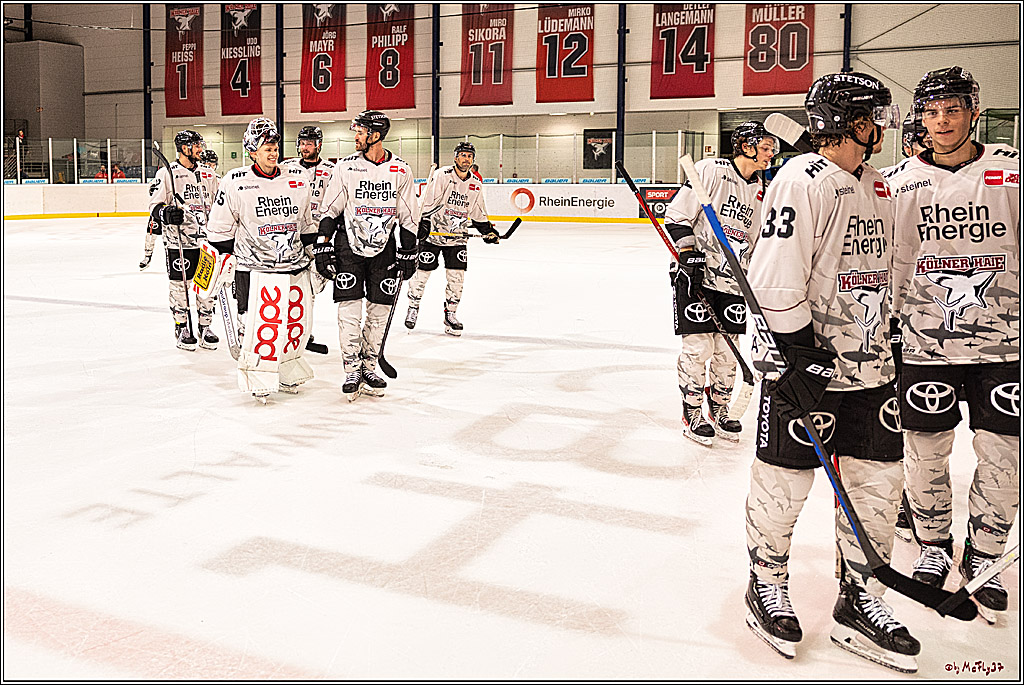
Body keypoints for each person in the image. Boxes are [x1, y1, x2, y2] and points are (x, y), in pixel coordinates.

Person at [741, 73, 918, 672]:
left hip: (872, 366)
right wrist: (796, 354)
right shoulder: (801, 179)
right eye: (874, 118)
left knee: (877, 483)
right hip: (808, 368)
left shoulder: (877, 185)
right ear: (852, 124)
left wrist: (893, 334)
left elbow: (892, 270)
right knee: (785, 481)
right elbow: (774, 275)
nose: (883, 128)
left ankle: (860, 597)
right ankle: (766, 582)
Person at [888, 66, 1019, 624]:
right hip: (926, 343)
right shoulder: (898, 182)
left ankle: (985, 554)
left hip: (1004, 345)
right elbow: (889, 259)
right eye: (932, 111)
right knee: (925, 452)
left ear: (973, 112)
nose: (941, 121)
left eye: (953, 109)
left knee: (1005, 455)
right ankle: (934, 545)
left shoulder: (1010, 171)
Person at [663, 121, 775, 445]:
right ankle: (692, 412)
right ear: (746, 146)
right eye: (765, 147)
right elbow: (677, 216)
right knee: (699, 348)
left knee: (727, 351)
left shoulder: (762, 190)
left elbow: (757, 241)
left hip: (734, 282)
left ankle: (720, 408)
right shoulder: (711, 170)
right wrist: (688, 254)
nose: (770, 154)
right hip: (696, 276)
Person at [205, 117, 318, 403]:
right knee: (258, 325)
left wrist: (315, 252)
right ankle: (258, 375)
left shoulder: (297, 178)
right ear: (252, 151)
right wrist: (224, 259)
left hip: (294, 266)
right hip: (253, 269)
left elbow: (306, 224)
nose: (273, 153)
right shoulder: (236, 182)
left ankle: (288, 368)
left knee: (293, 323)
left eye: (275, 147)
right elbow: (219, 230)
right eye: (267, 148)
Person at [314, 110, 418, 400]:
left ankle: (369, 366)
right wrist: (323, 245)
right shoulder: (346, 166)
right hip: (348, 247)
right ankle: (351, 368)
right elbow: (331, 209)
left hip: (384, 249)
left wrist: (409, 250)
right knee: (349, 308)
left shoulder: (400, 170)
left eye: (360, 132)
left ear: (376, 135)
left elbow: (408, 216)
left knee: (379, 310)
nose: (356, 137)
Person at [404, 142, 498, 336]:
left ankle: (451, 315)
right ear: (455, 157)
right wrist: (423, 223)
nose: (466, 159)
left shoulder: (475, 184)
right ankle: (413, 306)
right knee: (421, 274)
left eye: (469, 156)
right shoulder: (442, 175)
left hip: (457, 238)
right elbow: (428, 200)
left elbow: (477, 210)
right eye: (462, 155)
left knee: (456, 278)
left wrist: (487, 230)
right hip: (433, 235)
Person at [147, 129, 219, 350]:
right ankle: (182, 326)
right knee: (180, 287)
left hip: (206, 243)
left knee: (207, 286)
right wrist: (166, 213)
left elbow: (220, 204)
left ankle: (205, 326)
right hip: (178, 242)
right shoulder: (167, 174)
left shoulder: (209, 174)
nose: (200, 149)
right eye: (196, 145)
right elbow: (154, 206)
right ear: (184, 148)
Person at [280, 126, 336, 353]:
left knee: (310, 287)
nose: (304, 147)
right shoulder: (287, 167)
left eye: (309, 143)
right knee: (290, 284)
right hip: (292, 234)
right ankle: (293, 330)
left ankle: (302, 330)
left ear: (318, 145)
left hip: (319, 235)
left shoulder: (331, 170)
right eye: (302, 143)